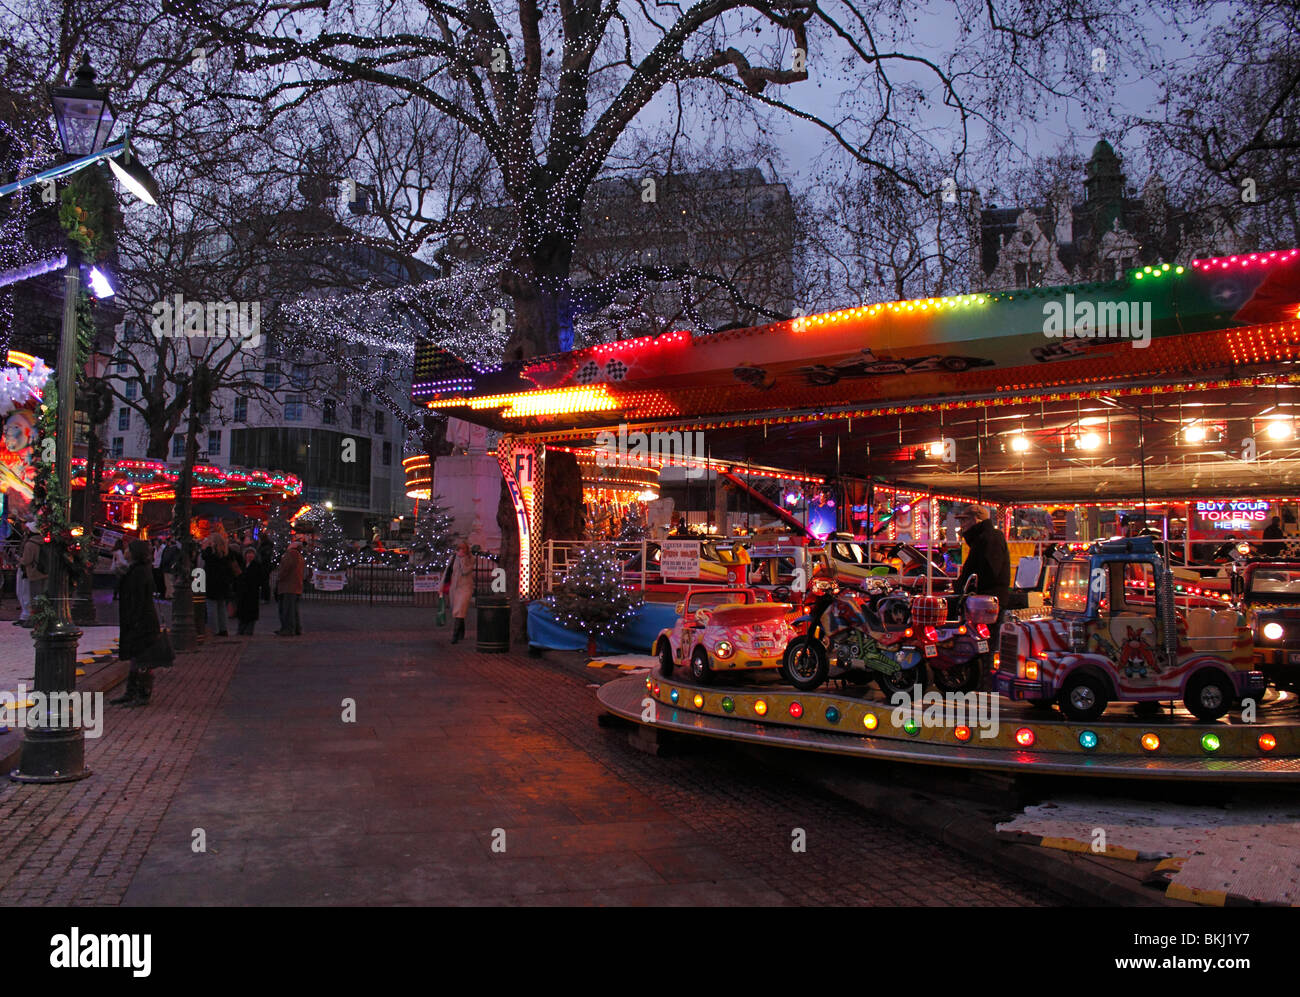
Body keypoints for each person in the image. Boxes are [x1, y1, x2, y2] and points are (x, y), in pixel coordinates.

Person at [111, 540, 162, 707]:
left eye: (129, 549)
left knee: (142, 658)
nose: (125, 551)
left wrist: (135, 620)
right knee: (136, 658)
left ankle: (142, 693)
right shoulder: (137, 569)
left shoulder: (139, 572)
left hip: (141, 621)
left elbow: (138, 599)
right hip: (138, 620)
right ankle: (131, 691)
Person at [201, 533, 234, 637]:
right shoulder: (225, 553)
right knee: (221, 607)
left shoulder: (210, 552)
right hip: (223, 583)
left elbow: (204, 556)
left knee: (212, 607)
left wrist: (206, 547)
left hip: (212, 583)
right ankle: (223, 629)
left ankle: (214, 630)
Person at [17, 524, 46, 628]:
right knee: (40, 595)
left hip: (31, 572)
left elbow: (26, 560)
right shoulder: (43, 542)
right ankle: (39, 617)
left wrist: (19, 560)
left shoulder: (30, 544)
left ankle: (32, 618)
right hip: (42, 572)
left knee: (31, 595)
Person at [275, 540, 304, 636]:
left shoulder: (291, 554)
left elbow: (285, 568)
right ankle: (296, 628)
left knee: (287, 609)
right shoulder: (299, 556)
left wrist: (279, 577)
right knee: (293, 609)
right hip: (295, 586)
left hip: (288, 586)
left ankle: (287, 628)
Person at [447, 540, 474, 644]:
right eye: (459, 549)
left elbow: (466, 571)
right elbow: (447, 572)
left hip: (465, 587)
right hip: (455, 587)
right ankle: (461, 631)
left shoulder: (470, 559)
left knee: (459, 609)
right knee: (458, 611)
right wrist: (441, 586)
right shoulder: (453, 558)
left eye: (463, 549)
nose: (461, 551)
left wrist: (463, 559)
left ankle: (455, 636)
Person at [234, 547, 264, 635]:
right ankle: (241, 629)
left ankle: (249, 630)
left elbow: (259, 578)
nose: (250, 555)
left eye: (252, 554)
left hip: (252, 592)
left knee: (251, 612)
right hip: (242, 592)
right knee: (242, 612)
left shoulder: (257, 565)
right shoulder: (242, 565)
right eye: (248, 553)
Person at [257, 534, 274, 602]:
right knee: (264, 582)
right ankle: (264, 596)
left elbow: (266, 556)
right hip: (264, 566)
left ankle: (265, 597)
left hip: (264, 566)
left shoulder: (265, 546)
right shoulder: (265, 546)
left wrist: (260, 560)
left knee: (265, 582)